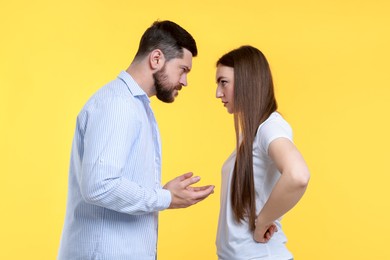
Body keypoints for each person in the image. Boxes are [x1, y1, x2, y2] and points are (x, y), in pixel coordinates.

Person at [58, 20, 215, 260]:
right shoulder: (118, 104)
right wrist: (165, 198)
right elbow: (99, 185)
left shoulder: (134, 105)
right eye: (183, 70)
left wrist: (162, 194)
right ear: (156, 59)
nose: (185, 82)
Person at [215, 45, 310, 260]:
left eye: (223, 82)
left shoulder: (270, 126)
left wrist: (263, 223)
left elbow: (298, 174)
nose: (218, 93)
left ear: (247, 83)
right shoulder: (251, 133)